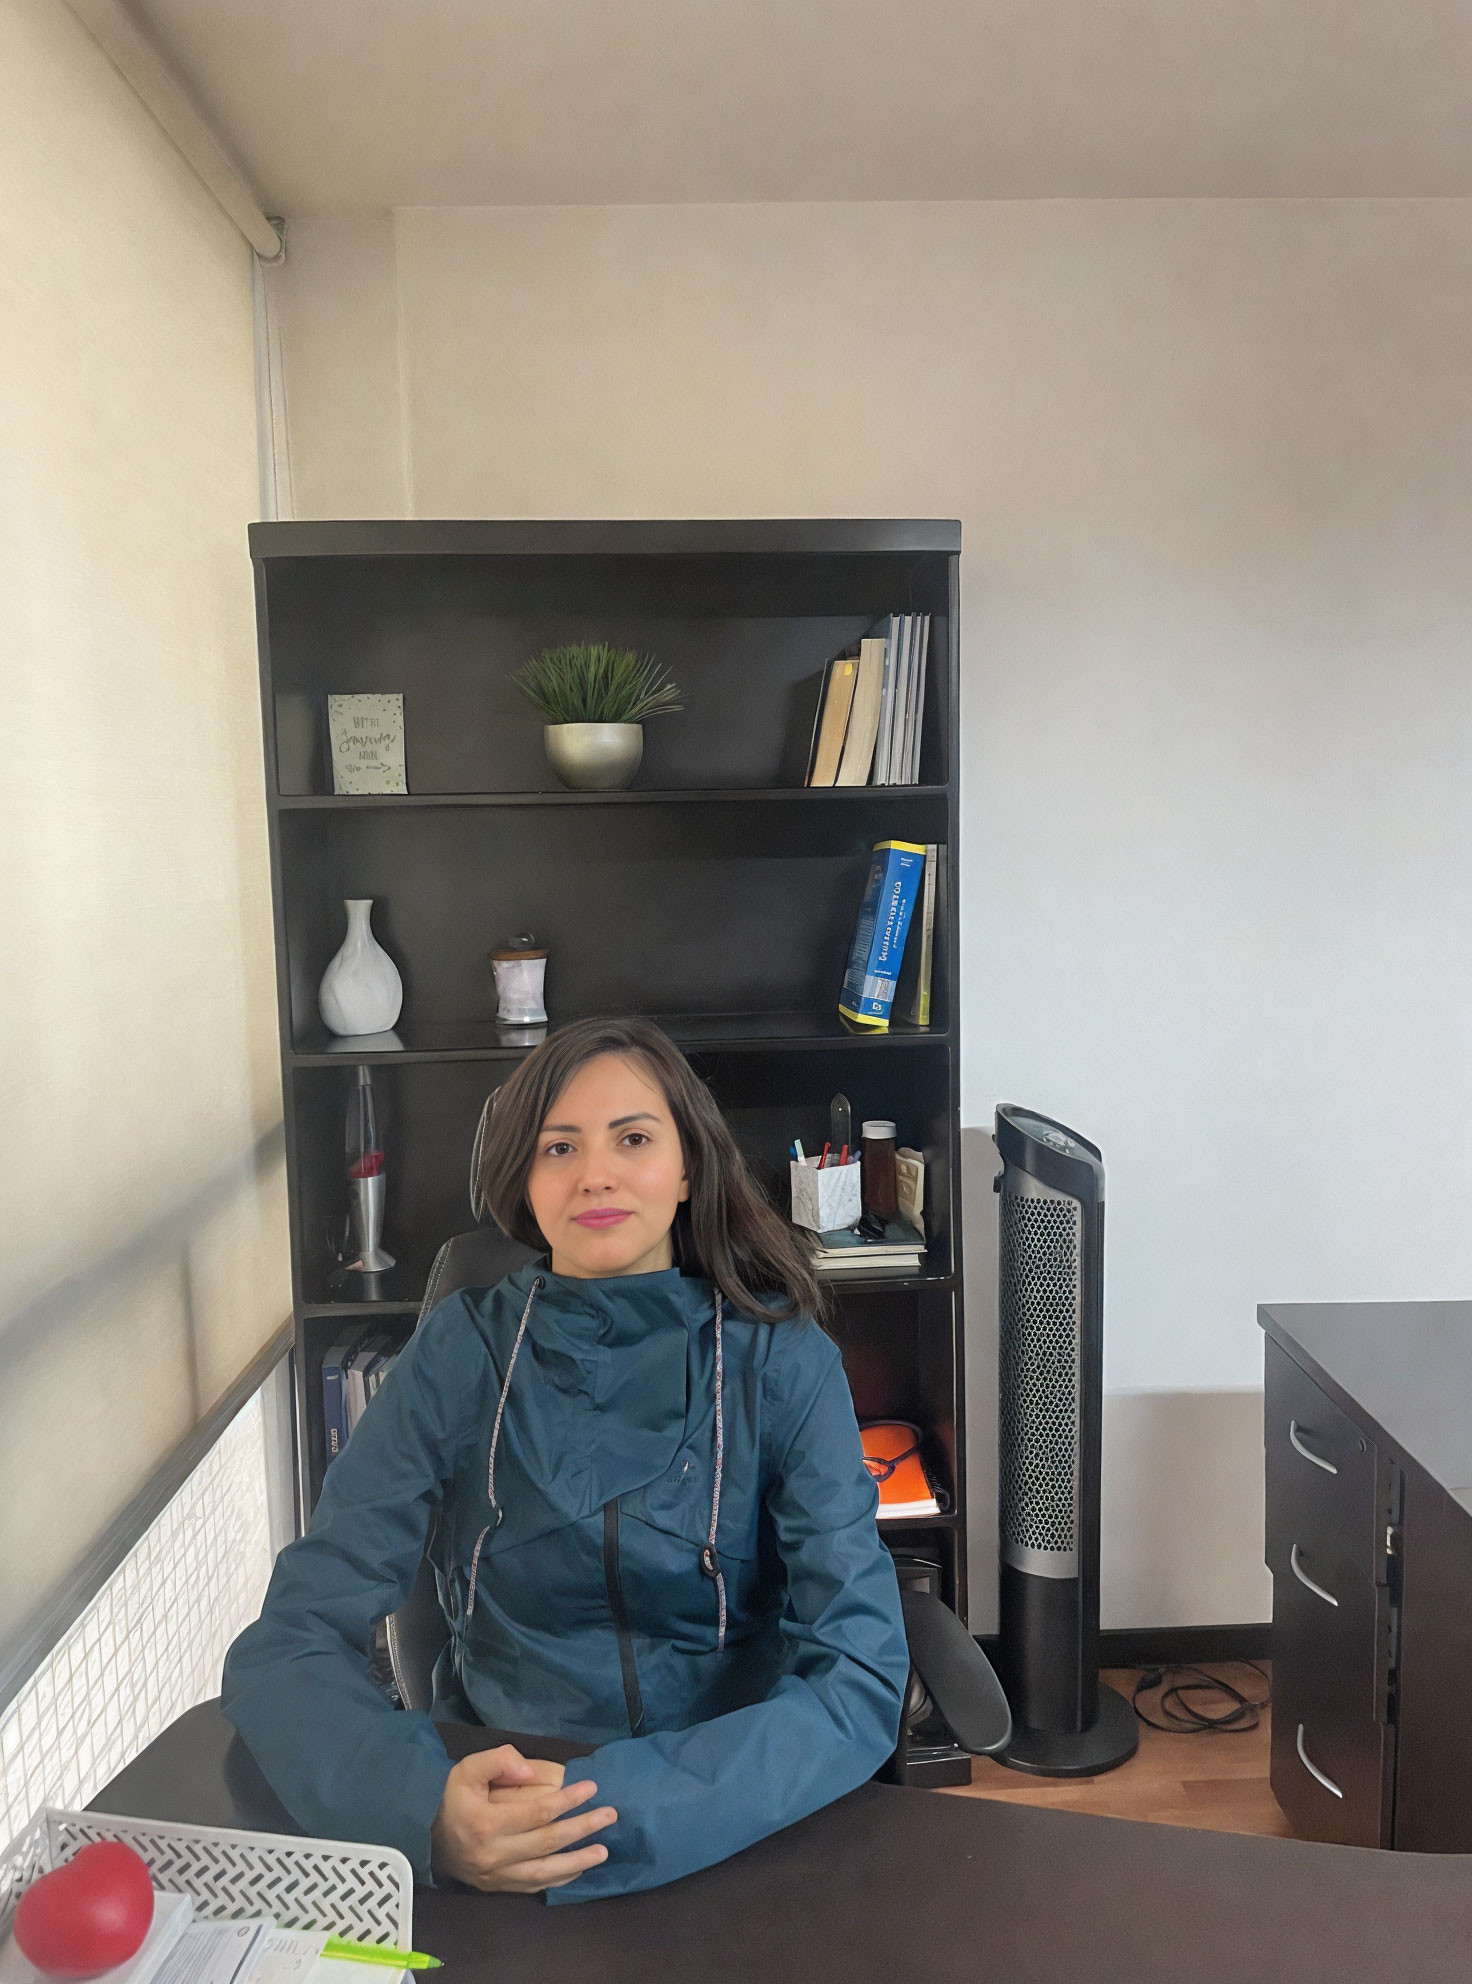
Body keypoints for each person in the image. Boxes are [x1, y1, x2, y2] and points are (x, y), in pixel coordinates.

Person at [221, 1016, 909, 1903]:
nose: (596, 1174)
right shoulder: (458, 1354)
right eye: (559, 1147)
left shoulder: (779, 1357)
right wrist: (416, 1805)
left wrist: (622, 1809)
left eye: (633, 1138)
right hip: (494, 1806)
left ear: (689, 1166)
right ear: (526, 1179)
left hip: (733, 1812)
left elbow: (858, 1671)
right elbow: (289, 1640)